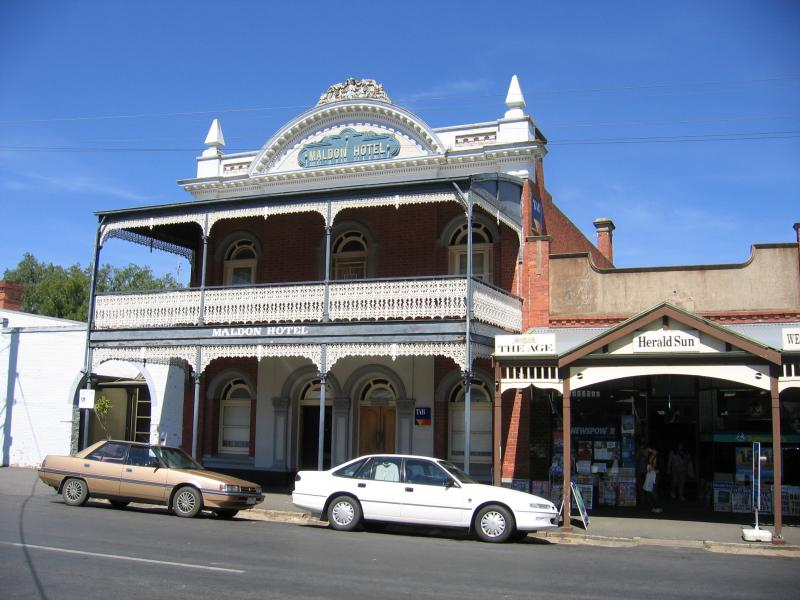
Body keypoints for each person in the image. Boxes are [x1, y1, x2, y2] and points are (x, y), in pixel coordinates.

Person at [643, 448, 662, 513]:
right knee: (650, 491)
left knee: (653, 491)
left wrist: (653, 468)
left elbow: (660, 467)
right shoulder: (650, 455)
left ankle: (658, 507)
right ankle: (654, 507)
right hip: (650, 474)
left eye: (651, 449)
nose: (649, 450)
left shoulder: (658, 456)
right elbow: (648, 464)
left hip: (656, 475)